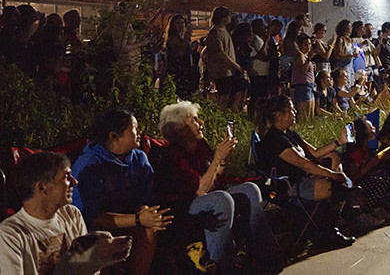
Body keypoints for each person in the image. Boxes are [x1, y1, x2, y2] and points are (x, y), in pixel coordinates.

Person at [154, 101, 280, 273]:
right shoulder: (172, 155)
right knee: (221, 199)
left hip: (203, 197)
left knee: (250, 189)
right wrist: (216, 160)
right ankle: (222, 265)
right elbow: (199, 191)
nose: (201, 123)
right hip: (183, 206)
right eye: (194, 120)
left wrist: (222, 160)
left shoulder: (199, 145)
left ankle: (265, 255)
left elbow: (214, 177)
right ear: (180, 128)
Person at [71, 110, 171, 275]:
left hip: (127, 221)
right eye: (134, 128)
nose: (140, 133)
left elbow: (142, 197)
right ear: (114, 136)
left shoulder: (138, 159)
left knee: (150, 228)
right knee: (101, 241)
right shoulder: (89, 165)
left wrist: (145, 211)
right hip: (93, 228)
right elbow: (91, 218)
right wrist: (138, 219)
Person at [254, 95, 355, 246]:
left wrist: (339, 142)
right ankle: (329, 232)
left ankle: (330, 224)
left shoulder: (290, 134)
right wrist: (332, 175)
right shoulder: (274, 140)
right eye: (290, 110)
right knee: (337, 187)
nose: (294, 112)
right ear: (278, 115)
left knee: (334, 160)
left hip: (302, 178)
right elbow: (305, 164)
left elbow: (314, 153)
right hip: (288, 186)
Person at [0, 152, 95, 275]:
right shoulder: (11, 235)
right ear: (41, 187)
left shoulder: (71, 215)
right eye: (66, 176)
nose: (74, 181)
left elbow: (88, 266)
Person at [202, 7, 245, 110]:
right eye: (228, 15)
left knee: (230, 95)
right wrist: (235, 66)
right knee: (223, 98)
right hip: (221, 71)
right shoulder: (215, 32)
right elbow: (220, 53)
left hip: (227, 71)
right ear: (223, 18)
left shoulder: (223, 30)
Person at [164, 14, 198, 99]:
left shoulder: (181, 38)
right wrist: (187, 37)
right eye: (178, 23)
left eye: (182, 22)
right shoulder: (174, 39)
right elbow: (181, 53)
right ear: (173, 25)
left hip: (185, 71)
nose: (181, 25)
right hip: (178, 72)